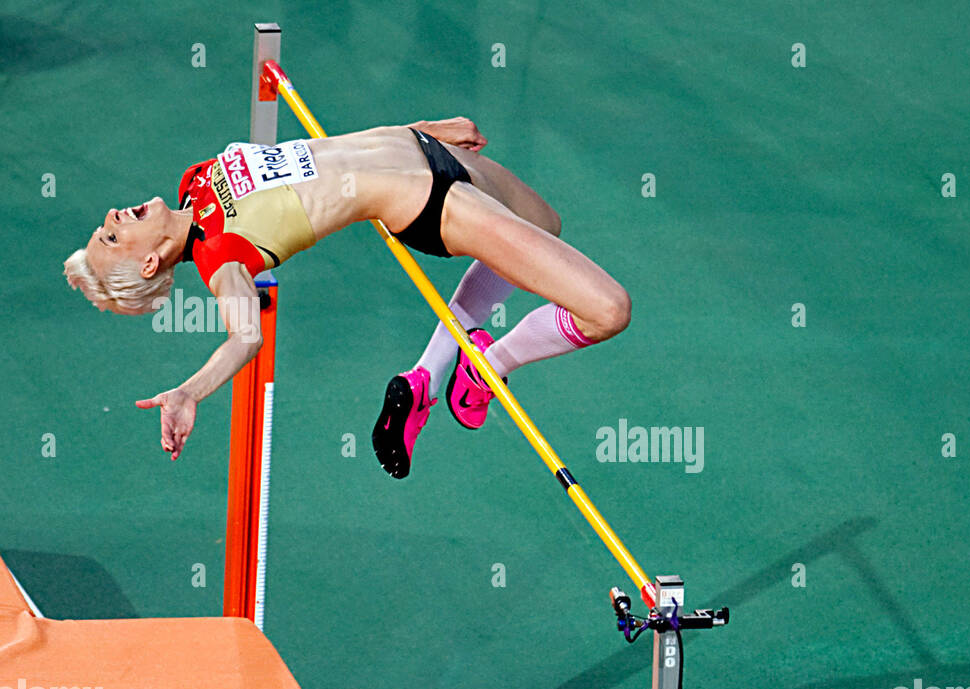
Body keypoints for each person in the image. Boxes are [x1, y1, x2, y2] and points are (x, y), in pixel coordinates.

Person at [63, 119, 631, 476]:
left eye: (104, 225)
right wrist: (189, 392)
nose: (113, 217)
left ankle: (430, 376)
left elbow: (327, 152)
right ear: (147, 261)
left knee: (546, 225)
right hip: (433, 200)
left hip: (423, 147)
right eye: (111, 235)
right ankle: (489, 366)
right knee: (608, 310)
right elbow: (246, 335)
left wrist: (425, 127)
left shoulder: (196, 180)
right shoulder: (222, 257)